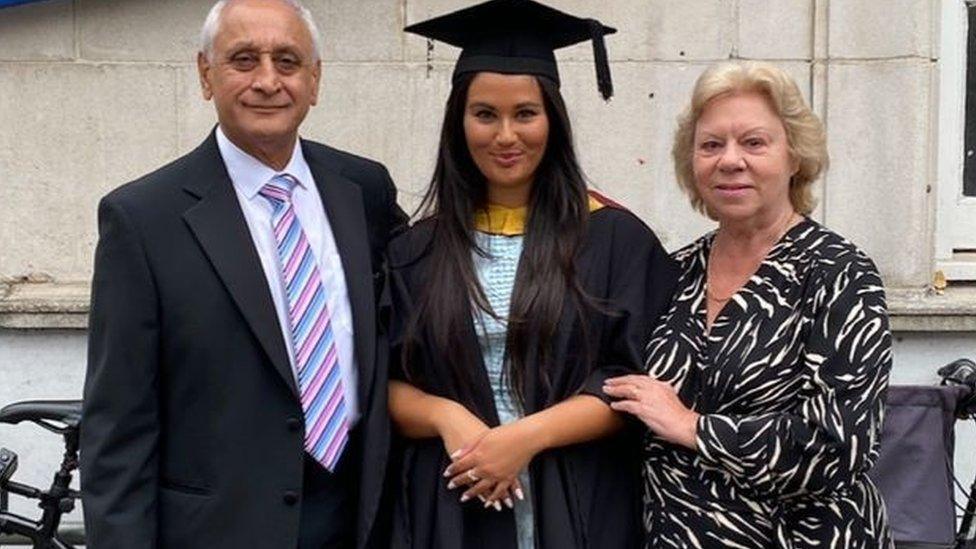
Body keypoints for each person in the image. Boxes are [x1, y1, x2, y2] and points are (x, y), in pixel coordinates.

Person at [79, 1, 406, 547]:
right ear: (206, 74)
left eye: (287, 60)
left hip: (359, 518)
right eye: (244, 59)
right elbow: (118, 429)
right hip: (221, 527)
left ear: (315, 79)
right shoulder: (143, 219)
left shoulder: (365, 190)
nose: (267, 80)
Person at [385, 1, 679, 547]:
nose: (505, 135)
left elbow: (641, 383)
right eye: (485, 114)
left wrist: (524, 438)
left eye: (525, 113)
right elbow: (385, 380)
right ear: (459, 121)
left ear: (553, 119)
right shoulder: (417, 249)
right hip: (452, 508)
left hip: (581, 502)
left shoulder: (614, 239)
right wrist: (447, 416)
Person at [603, 61, 893, 548]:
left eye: (754, 142)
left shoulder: (839, 272)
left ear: (795, 156)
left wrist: (692, 427)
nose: (729, 160)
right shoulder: (674, 270)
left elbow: (840, 446)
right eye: (711, 145)